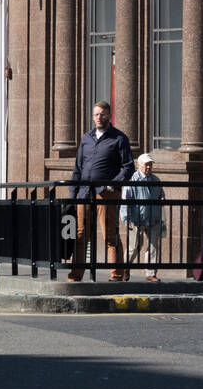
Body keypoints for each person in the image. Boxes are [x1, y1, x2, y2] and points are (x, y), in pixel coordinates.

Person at [67, 101, 134, 282]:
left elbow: (128, 167)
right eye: (96, 114)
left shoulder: (119, 138)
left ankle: (116, 275)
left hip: (106, 193)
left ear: (109, 115)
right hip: (84, 192)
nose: (99, 118)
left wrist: (112, 185)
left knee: (110, 234)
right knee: (80, 235)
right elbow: (78, 168)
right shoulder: (86, 138)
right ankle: (76, 274)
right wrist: (72, 195)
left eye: (103, 114)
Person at [121, 153, 165, 282]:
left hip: (154, 217)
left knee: (153, 246)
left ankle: (150, 273)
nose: (149, 167)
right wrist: (126, 218)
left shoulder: (156, 179)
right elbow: (125, 199)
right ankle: (124, 268)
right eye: (146, 164)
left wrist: (162, 198)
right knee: (134, 246)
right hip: (137, 218)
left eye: (150, 164)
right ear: (139, 165)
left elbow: (161, 194)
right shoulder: (133, 179)